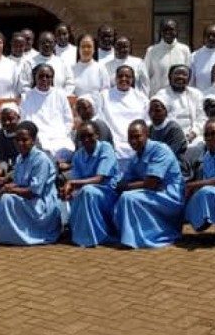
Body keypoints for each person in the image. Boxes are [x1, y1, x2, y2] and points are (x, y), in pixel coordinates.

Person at [113, 120, 185, 248]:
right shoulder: (136, 157)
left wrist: (126, 187)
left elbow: (151, 183)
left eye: (137, 136)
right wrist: (116, 185)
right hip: (154, 193)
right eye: (130, 137)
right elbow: (126, 179)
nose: (133, 141)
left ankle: (140, 238)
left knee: (128, 197)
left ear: (147, 135)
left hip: (169, 196)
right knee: (115, 197)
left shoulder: (160, 150)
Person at [0, 121, 61, 245]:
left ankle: (21, 236)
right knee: (1, 198)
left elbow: (34, 191)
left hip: (41, 203)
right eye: (17, 140)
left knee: (7, 199)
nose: (20, 143)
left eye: (24, 140)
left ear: (33, 140)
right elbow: (20, 183)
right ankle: (10, 235)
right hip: (29, 199)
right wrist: (6, 185)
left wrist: (9, 189)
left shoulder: (41, 159)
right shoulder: (20, 158)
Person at [63, 122, 121, 247]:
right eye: (82, 137)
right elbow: (76, 181)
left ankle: (98, 236)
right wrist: (70, 191)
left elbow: (100, 179)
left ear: (97, 135)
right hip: (87, 191)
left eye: (89, 135)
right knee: (75, 195)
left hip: (108, 194)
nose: (86, 139)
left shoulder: (106, 148)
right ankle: (79, 233)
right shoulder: (78, 155)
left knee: (87, 191)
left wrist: (72, 183)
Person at [96, 65, 148, 168]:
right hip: (112, 140)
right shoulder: (104, 96)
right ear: (115, 78)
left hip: (136, 140)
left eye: (127, 76)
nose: (124, 79)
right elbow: (99, 118)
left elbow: (147, 121)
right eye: (120, 76)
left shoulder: (141, 97)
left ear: (132, 79)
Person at [21, 64, 75, 162]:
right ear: (35, 78)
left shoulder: (60, 94)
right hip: (39, 138)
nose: (44, 79)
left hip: (60, 137)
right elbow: (26, 122)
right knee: (41, 153)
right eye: (41, 76)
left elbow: (68, 120)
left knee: (67, 151)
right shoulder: (27, 96)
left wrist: (61, 134)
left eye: (48, 76)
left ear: (52, 78)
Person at [152, 64, 205, 144]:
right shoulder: (161, 95)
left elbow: (202, 117)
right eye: (177, 74)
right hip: (169, 136)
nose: (180, 77)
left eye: (184, 74)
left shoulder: (196, 94)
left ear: (189, 78)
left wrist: (194, 133)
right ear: (170, 77)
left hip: (193, 136)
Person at [144, 19, 191, 94]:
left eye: (171, 29)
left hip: (178, 95)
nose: (168, 32)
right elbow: (145, 76)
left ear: (177, 31)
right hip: (157, 95)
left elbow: (188, 74)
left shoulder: (184, 50)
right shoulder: (152, 51)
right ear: (160, 32)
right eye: (165, 30)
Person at [148, 95, 189, 174]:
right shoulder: (150, 129)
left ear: (166, 112)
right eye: (151, 111)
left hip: (176, 167)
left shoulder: (174, 129)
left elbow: (169, 154)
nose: (153, 114)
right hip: (155, 166)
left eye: (157, 110)